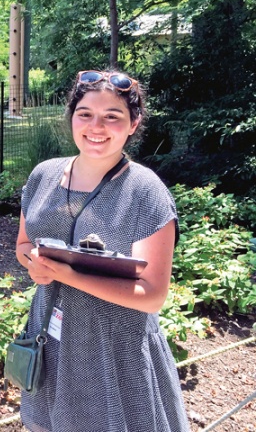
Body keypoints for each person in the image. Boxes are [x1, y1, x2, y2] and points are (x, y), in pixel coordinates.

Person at [14, 69, 189, 432]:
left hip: (115, 348)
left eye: (112, 116)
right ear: (72, 117)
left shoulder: (145, 192)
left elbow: (152, 296)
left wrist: (69, 275)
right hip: (53, 337)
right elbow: (24, 244)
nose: (97, 126)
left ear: (133, 123)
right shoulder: (43, 176)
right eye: (86, 114)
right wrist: (33, 263)